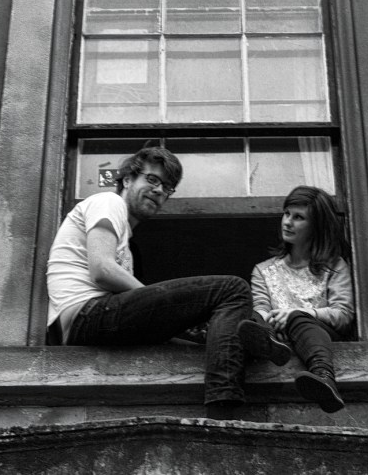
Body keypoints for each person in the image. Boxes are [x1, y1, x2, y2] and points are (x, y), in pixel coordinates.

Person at [46, 146, 252, 420]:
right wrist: (157, 298)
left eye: (167, 188)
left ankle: (251, 341)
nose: (159, 191)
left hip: (89, 322)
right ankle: (224, 408)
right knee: (232, 290)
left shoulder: (128, 245)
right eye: (152, 180)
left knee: (205, 338)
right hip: (86, 314)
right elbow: (101, 269)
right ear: (128, 180)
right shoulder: (109, 201)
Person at [237, 185, 354, 413]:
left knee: (298, 318)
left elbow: (344, 315)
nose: (287, 222)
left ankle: (324, 378)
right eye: (287, 214)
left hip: (318, 335)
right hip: (278, 334)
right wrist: (261, 320)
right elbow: (261, 305)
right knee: (251, 317)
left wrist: (301, 313)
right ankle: (270, 345)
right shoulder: (263, 270)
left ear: (316, 227)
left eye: (298, 217)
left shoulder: (335, 266)